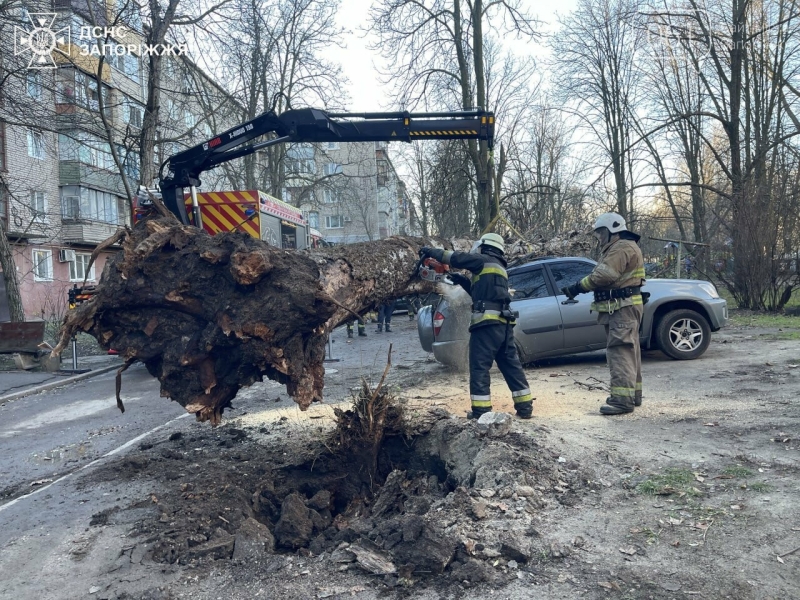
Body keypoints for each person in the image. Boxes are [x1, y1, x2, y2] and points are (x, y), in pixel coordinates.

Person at [420, 233, 534, 419]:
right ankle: (525, 407)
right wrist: (463, 280)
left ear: (484, 247)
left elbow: (456, 258)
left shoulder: (482, 260)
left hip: (486, 325)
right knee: (511, 366)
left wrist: (431, 252)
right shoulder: (498, 267)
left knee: (479, 367)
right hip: (504, 325)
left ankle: (481, 411)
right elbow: (480, 293)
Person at [561, 212, 645, 415]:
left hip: (621, 307)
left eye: (601, 233)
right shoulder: (624, 246)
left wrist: (577, 287)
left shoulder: (621, 247)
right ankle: (632, 395)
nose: (599, 237)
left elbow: (604, 275)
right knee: (629, 350)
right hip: (623, 306)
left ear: (612, 230)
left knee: (620, 350)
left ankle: (621, 401)